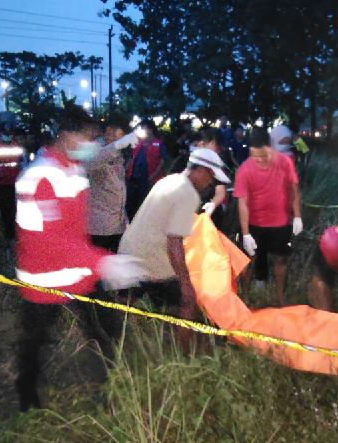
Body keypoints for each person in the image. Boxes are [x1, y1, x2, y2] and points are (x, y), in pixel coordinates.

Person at [14, 108, 144, 412]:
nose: (91, 144)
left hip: (79, 273)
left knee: (103, 331)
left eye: (93, 138)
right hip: (42, 278)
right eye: (86, 137)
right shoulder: (38, 176)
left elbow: (75, 230)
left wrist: (94, 262)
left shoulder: (74, 171)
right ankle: (27, 398)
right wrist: (101, 261)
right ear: (64, 135)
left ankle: (106, 395)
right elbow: (43, 239)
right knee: (34, 341)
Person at [119, 148, 230, 350]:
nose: (211, 183)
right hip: (151, 257)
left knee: (127, 303)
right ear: (201, 170)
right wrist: (186, 282)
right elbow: (174, 241)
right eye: (211, 177)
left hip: (129, 249)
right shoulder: (188, 194)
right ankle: (183, 353)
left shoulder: (168, 180)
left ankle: (124, 344)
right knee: (187, 301)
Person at [233, 127, 303, 306]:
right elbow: (242, 203)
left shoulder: (285, 162)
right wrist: (246, 233)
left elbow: (294, 189)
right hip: (255, 223)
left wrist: (297, 216)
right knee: (248, 261)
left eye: (263, 155)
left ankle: (280, 299)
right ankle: (245, 299)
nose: (260, 160)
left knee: (280, 260)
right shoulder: (244, 169)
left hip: (281, 222)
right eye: (255, 156)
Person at [87, 115, 139, 253]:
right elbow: (92, 162)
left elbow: (118, 186)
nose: (123, 139)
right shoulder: (95, 148)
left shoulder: (117, 153)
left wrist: (124, 218)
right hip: (100, 224)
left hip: (117, 222)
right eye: (121, 134)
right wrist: (117, 145)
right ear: (109, 131)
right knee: (98, 262)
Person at [125, 120, 166, 219]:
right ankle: (128, 223)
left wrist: (152, 177)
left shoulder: (159, 144)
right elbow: (131, 158)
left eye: (144, 128)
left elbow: (162, 162)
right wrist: (125, 171)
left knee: (143, 204)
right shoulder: (137, 142)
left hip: (147, 180)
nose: (142, 130)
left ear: (151, 129)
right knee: (129, 203)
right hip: (133, 178)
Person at [196, 127, 232, 230]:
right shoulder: (185, 161)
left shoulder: (217, 165)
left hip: (210, 215)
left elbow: (220, 191)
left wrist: (213, 204)